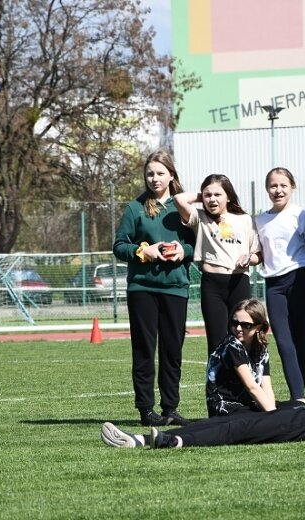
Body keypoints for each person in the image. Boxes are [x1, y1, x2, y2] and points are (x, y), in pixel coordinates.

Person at [112, 150, 196, 427]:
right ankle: (146, 409)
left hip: (175, 288)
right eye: (150, 174)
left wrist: (182, 250)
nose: (154, 178)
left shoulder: (183, 208)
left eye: (160, 173)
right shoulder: (135, 208)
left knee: (173, 351)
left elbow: (198, 244)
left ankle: (171, 408)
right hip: (142, 289)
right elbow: (119, 246)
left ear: (172, 175)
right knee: (144, 351)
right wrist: (143, 251)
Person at [100, 389, 305, 449]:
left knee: (239, 428)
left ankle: (170, 441)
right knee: (219, 423)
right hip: (301, 416)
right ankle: (145, 438)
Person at [174, 175, 262, 355]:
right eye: (208, 195)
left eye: (218, 194)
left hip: (239, 282)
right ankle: (216, 383)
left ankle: (243, 382)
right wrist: (204, 196)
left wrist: (249, 258)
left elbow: (258, 255)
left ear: (228, 196)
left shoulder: (244, 219)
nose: (212, 199)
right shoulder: (199, 217)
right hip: (212, 284)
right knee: (216, 340)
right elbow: (178, 199)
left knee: (241, 338)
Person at [255, 167, 305, 404]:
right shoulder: (260, 220)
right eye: (273, 185)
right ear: (267, 189)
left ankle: (298, 399)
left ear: (292, 187)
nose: (278, 190)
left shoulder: (302, 215)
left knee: (297, 341)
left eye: (283, 185)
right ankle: (298, 398)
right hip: (274, 285)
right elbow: (259, 252)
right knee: (283, 342)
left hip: (300, 279)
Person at [205, 299, 275, 417]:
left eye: (245, 325)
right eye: (235, 323)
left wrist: (274, 412)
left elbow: (266, 387)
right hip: (226, 408)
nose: (238, 328)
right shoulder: (232, 345)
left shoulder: (261, 348)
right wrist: (274, 416)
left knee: (292, 406)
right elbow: (252, 387)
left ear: (258, 327)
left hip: (248, 405)